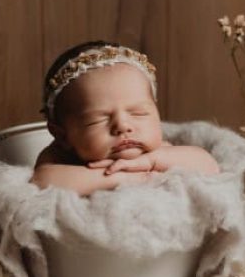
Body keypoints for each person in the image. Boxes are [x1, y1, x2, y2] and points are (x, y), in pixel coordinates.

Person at [31, 42, 219, 195]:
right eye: (98, 120)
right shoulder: (61, 158)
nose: (123, 126)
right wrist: (122, 177)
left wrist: (150, 163)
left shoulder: (159, 153)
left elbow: (209, 166)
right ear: (63, 136)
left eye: (139, 113)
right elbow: (40, 182)